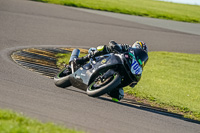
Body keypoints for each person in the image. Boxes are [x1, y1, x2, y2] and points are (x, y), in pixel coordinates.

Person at [68, 40, 148, 101]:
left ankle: (105, 86)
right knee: (102, 48)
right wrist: (115, 46)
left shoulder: (137, 63)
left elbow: (133, 83)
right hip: (109, 58)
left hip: (120, 69)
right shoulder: (128, 48)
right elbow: (113, 43)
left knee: (119, 96)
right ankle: (83, 59)